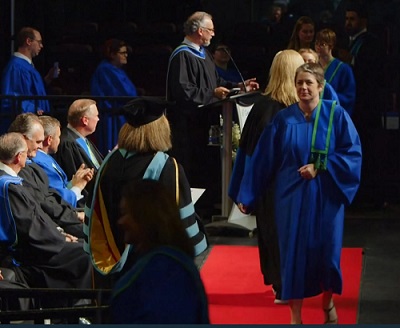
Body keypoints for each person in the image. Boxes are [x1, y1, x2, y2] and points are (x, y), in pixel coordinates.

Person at [235, 63, 362, 324]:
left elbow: (352, 154)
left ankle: (327, 304)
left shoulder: (336, 116)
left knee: (327, 253)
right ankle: (295, 316)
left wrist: (320, 166)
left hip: (326, 196)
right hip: (289, 197)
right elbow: (262, 160)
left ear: (321, 86)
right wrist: (246, 195)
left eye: (309, 83)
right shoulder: (283, 119)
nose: (304, 88)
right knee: (293, 254)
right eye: (300, 83)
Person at [84, 97, 208, 289]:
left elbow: (92, 218)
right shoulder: (167, 167)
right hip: (151, 268)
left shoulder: (108, 164)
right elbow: (180, 225)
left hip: (109, 273)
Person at [230, 49, 305, 304]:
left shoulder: (262, 106)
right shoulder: (299, 108)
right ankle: (290, 283)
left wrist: (245, 190)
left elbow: (247, 154)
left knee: (273, 234)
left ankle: (280, 284)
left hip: (270, 187)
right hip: (295, 184)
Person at [166, 11, 259, 215]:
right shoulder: (182, 55)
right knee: (191, 167)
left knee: (205, 167)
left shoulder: (202, 54)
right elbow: (184, 92)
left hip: (204, 124)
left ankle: (205, 209)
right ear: (200, 31)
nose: (213, 34)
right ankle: (189, 213)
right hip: (187, 127)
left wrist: (239, 87)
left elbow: (216, 83)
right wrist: (212, 94)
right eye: (211, 30)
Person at [0, 132, 92, 292]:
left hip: (40, 241)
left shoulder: (10, 182)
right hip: (29, 251)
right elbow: (29, 226)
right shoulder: (8, 186)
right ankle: (76, 310)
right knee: (85, 254)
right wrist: (60, 238)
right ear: (18, 157)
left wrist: (59, 232)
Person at [110, 179, 209, 324]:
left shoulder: (162, 273)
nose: (120, 221)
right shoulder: (170, 261)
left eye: (126, 213)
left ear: (145, 217)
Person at [8, 113, 85, 238]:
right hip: (47, 232)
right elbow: (41, 208)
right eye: (38, 141)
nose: (40, 146)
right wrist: (60, 234)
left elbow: (48, 197)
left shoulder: (33, 167)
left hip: (57, 221)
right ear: (23, 139)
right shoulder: (20, 172)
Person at [342, 0, 385, 207]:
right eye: (346, 19)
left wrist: (349, 59)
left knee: (368, 150)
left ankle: (370, 197)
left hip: (367, 106)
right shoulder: (348, 41)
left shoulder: (372, 42)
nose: (348, 23)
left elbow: (372, 71)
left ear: (363, 21)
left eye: (352, 19)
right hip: (354, 106)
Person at [0, 27, 59, 132]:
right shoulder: (16, 67)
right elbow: (13, 97)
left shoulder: (26, 66)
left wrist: (47, 79)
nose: (41, 45)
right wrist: (34, 108)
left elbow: (30, 91)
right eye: (39, 42)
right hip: (24, 127)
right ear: (28, 41)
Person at [32, 115, 94, 208]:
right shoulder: (41, 163)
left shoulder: (45, 157)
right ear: (49, 140)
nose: (60, 141)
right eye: (59, 137)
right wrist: (79, 186)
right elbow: (59, 200)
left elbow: (60, 187)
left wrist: (74, 182)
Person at [91, 39, 138, 155]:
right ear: (112, 54)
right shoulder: (105, 69)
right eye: (122, 53)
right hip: (111, 117)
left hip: (119, 115)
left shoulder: (117, 70)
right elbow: (127, 93)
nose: (126, 55)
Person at [53, 99, 103, 183]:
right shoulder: (67, 144)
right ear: (85, 120)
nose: (98, 119)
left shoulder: (82, 139)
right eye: (96, 115)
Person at [315, 28, 356, 115]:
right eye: (316, 43)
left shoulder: (343, 69)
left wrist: (327, 96)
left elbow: (349, 97)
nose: (318, 47)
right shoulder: (313, 66)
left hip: (332, 113)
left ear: (331, 46)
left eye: (322, 44)